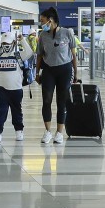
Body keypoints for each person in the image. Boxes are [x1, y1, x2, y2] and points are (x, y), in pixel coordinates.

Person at [35, 7, 78, 145]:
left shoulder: (67, 33)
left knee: (61, 101)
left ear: (50, 20)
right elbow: (39, 55)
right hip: (48, 70)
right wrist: (37, 73)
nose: (41, 23)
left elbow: (73, 55)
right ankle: (47, 131)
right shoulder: (43, 35)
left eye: (42, 21)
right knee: (46, 100)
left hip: (65, 70)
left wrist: (76, 73)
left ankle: (59, 132)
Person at [0, 36, 25, 142]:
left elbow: (30, 52)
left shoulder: (18, 55)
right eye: (4, 43)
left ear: (13, 43)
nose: (6, 46)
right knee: (0, 111)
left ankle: (19, 130)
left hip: (16, 89)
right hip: (2, 89)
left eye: (8, 43)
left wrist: (22, 40)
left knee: (16, 111)